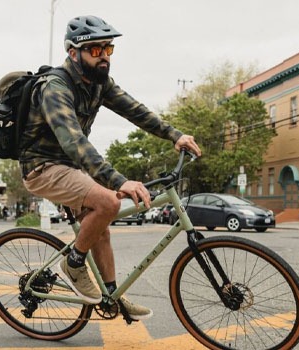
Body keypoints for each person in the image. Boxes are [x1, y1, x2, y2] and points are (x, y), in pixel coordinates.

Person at [19, 15, 202, 321]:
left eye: (108, 49)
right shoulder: (55, 88)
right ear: (73, 52)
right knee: (108, 202)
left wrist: (175, 135)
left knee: (100, 226)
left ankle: (112, 295)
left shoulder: (99, 84)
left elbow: (135, 110)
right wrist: (119, 181)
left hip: (70, 166)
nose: (103, 56)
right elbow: (75, 142)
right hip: (43, 166)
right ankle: (74, 264)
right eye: (95, 50)